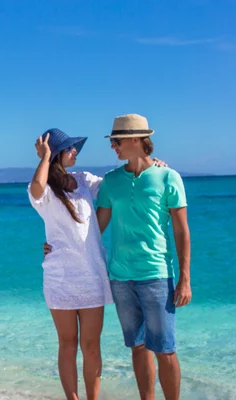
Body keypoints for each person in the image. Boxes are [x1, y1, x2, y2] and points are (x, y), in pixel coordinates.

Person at [96, 114, 191, 400]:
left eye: (117, 141)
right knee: (137, 346)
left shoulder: (168, 177)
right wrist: (57, 245)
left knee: (165, 349)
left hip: (157, 275)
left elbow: (181, 231)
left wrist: (184, 279)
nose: (113, 146)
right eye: (112, 141)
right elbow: (93, 229)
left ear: (137, 140)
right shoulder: (111, 181)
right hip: (120, 278)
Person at [28, 128, 114, 400]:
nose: (75, 151)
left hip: (92, 274)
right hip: (60, 277)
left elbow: (116, 186)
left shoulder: (84, 180)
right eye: (69, 148)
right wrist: (44, 158)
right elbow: (37, 188)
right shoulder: (43, 189)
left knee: (91, 346)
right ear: (55, 154)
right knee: (67, 344)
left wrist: (151, 166)